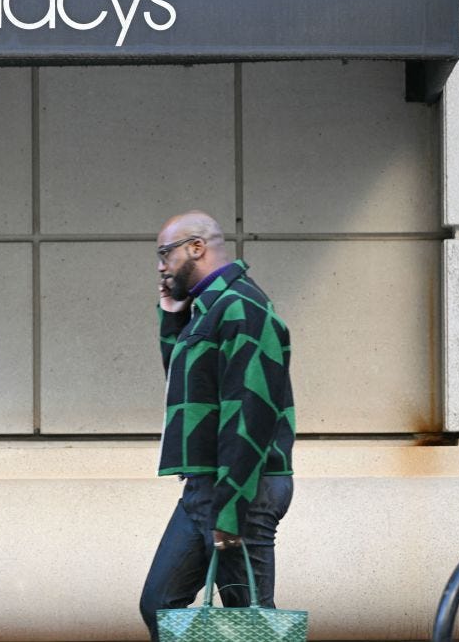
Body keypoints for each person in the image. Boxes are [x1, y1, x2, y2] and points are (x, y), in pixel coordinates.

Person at [139, 211, 296, 641]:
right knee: (159, 605)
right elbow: (187, 392)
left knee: (251, 625)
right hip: (206, 487)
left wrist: (231, 509)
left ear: (196, 248)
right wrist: (172, 318)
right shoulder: (207, 310)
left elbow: (250, 412)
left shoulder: (243, 308)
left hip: (243, 488)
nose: (160, 265)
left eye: (164, 253)